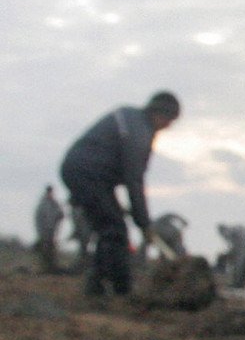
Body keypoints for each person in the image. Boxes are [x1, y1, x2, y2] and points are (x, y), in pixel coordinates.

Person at [58, 91, 180, 297]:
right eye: (170, 121)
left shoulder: (133, 119)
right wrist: (143, 222)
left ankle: (99, 284)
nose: (168, 127)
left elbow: (117, 169)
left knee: (111, 226)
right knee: (113, 229)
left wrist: (130, 211)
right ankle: (119, 289)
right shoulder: (139, 130)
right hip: (86, 174)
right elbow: (134, 179)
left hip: (89, 174)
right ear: (161, 115)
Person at [32, 186, 63, 272]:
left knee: (52, 250)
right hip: (44, 232)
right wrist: (41, 231)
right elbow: (38, 219)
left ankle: (52, 266)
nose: (50, 194)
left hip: (52, 231)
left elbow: (61, 215)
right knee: (45, 250)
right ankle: (45, 267)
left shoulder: (55, 204)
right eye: (49, 192)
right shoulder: (42, 204)